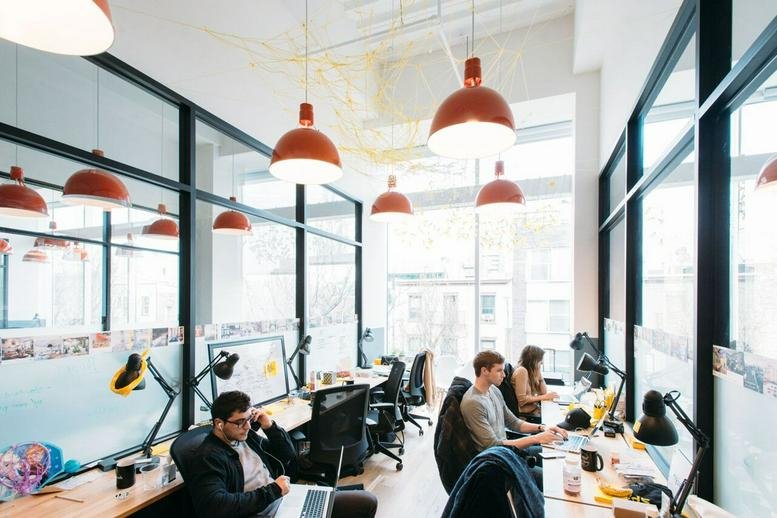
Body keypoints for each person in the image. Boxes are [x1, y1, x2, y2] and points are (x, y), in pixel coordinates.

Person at [188, 390, 378, 518]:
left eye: (248, 419)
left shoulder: (246, 437)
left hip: (284, 498)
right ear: (219, 424)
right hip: (264, 511)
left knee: (367, 501)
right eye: (240, 422)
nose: (247, 426)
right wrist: (274, 491)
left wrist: (268, 425)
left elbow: (288, 455)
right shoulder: (209, 457)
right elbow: (215, 505)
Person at [460, 351, 568, 487]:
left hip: (509, 451)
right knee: (553, 479)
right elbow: (493, 446)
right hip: (497, 462)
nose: (504, 375)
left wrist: (543, 428)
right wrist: (537, 438)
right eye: (499, 370)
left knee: (558, 453)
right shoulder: (473, 403)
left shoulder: (494, 391)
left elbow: (513, 422)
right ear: (484, 371)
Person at [512, 345, 559, 416]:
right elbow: (522, 400)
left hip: (534, 410)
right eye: (540, 360)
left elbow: (544, 392)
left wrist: (539, 373)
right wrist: (545, 397)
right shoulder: (521, 371)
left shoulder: (530, 372)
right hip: (526, 414)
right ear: (533, 360)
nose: (542, 363)